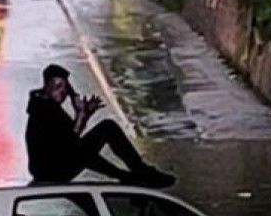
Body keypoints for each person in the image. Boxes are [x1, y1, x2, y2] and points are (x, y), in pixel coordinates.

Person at [25, 64, 178, 187]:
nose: (63, 92)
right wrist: (80, 114)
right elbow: (70, 143)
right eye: (58, 87)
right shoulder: (43, 111)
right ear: (46, 86)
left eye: (65, 88)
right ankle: (140, 173)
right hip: (51, 172)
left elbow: (69, 139)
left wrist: (85, 114)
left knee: (88, 149)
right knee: (107, 128)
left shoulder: (46, 105)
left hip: (56, 164)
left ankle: (132, 176)